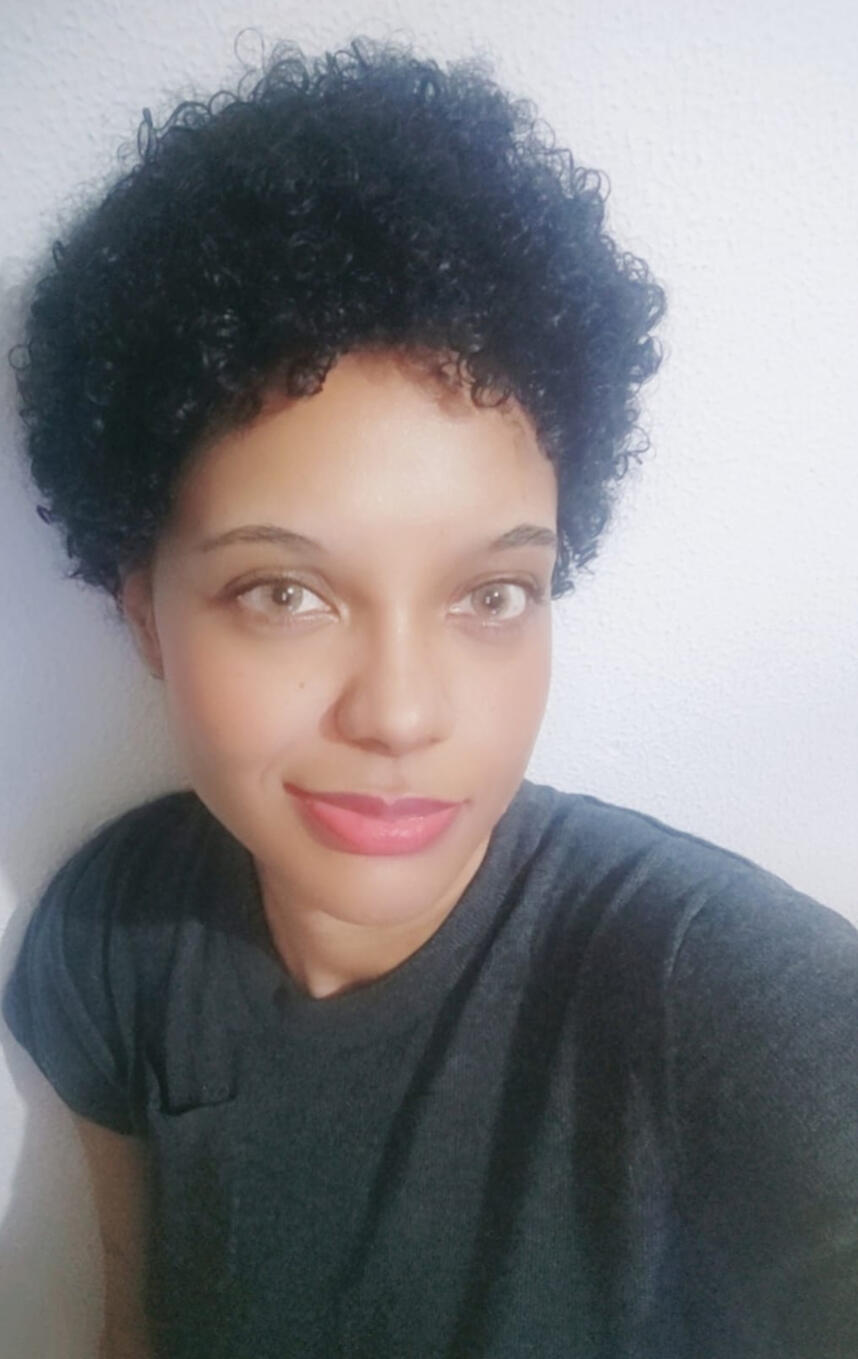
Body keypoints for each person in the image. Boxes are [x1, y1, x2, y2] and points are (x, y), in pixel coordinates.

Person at [2, 34, 856, 1359]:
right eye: (285, 591)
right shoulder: (115, 941)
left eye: (491, 593)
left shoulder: (729, 1007)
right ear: (145, 616)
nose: (401, 716)